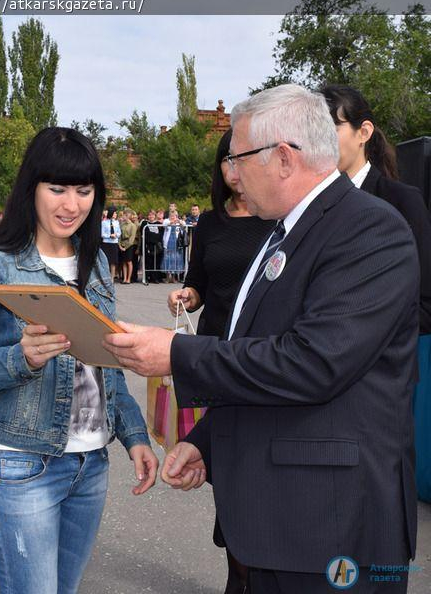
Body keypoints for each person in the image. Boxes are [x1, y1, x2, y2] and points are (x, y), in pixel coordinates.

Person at [102, 84, 419, 593]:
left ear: (284, 159)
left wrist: (175, 353)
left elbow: (311, 364)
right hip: (278, 522)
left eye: (238, 158)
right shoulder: (287, 231)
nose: (231, 173)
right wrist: (206, 441)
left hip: (330, 527)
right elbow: (260, 353)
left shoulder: (369, 230)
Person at [0, 127, 158, 594]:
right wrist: (19, 358)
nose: (71, 204)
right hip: (20, 467)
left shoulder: (95, 262)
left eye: (83, 190)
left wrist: (134, 435)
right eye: (56, 188)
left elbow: (109, 360)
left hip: (91, 465)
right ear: (31, 188)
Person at [167, 128, 275, 593]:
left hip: (262, 357)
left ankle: (255, 562)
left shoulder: (281, 218)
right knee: (226, 461)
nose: (234, 171)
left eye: (241, 160)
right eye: (226, 162)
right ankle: (238, 562)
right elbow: (198, 285)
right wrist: (185, 296)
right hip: (215, 354)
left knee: (258, 465)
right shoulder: (209, 224)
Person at [320, 84, 431, 334]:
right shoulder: (308, 205)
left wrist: (363, 333)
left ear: (364, 132)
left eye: (330, 129)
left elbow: (426, 305)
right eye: (313, 132)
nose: (319, 141)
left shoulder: (402, 201)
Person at [161, 209, 187, 283]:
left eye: (175, 215)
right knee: (167, 259)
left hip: (177, 243)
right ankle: (167, 277)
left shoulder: (179, 221)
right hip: (168, 242)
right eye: (171, 215)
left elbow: (184, 225)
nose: (173, 217)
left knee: (175, 259)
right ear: (169, 216)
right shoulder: (166, 220)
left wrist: (179, 221)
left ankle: (173, 277)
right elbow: (164, 225)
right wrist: (172, 222)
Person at [138, 209, 164, 284]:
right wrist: (154, 236)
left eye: (152, 215)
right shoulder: (144, 223)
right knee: (147, 262)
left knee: (156, 263)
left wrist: (153, 237)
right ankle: (146, 277)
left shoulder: (159, 224)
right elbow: (146, 234)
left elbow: (160, 236)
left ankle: (155, 278)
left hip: (157, 247)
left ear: (155, 216)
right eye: (149, 215)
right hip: (147, 246)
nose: (151, 216)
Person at [101, 205, 121, 281]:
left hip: (114, 243)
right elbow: (102, 234)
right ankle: (106, 277)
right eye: (115, 213)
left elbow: (119, 232)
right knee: (106, 261)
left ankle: (112, 278)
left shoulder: (117, 222)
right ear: (111, 213)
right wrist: (109, 235)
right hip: (106, 243)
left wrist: (116, 235)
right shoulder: (104, 222)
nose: (116, 214)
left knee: (113, 261)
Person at [118, 208, 137, 284]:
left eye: (125, 215)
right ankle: (124, 278)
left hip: (129, 245)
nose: (124, 217)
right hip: (122, 243)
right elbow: (119, 235)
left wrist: (125, 247)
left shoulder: (132, 225)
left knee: (129, 262)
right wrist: (119, 245)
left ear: (128, 216)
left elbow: (132, 238)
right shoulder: (122, 225)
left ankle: (129, 278)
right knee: (123, 262)